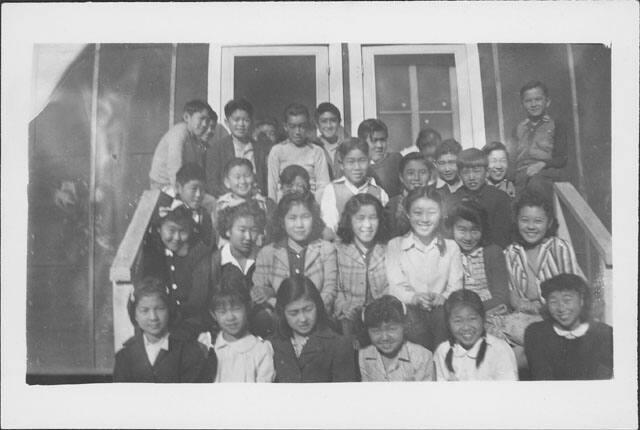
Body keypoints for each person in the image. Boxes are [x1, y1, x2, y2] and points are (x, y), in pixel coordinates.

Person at [497, 190, 580, 368]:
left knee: (537, 348)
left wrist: (542, 308)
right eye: (525, 220)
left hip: (558, 316)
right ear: (517, 221)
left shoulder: (559, 248)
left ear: (549, 223)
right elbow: (512, 294)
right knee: (514, 358)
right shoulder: (511, 253)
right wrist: (522, 305)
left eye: (538, 221)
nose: (531, 226)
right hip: (525, 320)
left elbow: (572, 290)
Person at [386, 186, 463, 351]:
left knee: (441, 317)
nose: (425, 219)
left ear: (441, 213)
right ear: (408, 214)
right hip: (410, 313)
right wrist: (414, 298)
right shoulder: (395, 245)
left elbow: (456, 286)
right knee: (412, 319)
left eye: (432, 212)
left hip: (441, 313)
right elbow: (395, 287)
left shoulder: (451, 247)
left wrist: (442, 297)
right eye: (418, 213)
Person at [252, 192, 337, 316]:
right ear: (282, 221)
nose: (299, 225)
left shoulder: (325, 250)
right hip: (279, 319)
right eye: (292, 218)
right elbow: (259, 293)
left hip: (318, 317)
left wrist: (309, 313)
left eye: (305, 217)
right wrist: (288, 312)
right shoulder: (268, 253)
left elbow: (330, 291)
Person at [138, 201, 213, 340]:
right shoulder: (154, 254)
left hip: (193, 322)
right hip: (163, 321)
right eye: (171, 230)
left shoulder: (198, 253)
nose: (177, 238)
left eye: (183, 231)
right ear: (160, 229)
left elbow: (197, 300)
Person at [113, 277, 210, 382]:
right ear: (135, 314)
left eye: (160, 309)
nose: (153, 317)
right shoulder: (125, 356)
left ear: (169, 310)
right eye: (144, 310)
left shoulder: (189, 351)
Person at [525, 274, 612, 380]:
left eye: (567, 300)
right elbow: (542, 379)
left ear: (581, 300)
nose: (561, 308)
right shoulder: (536, 334)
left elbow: (602, 382)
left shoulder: (604, 334)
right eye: (553, 302)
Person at [270, 276, 357, 382]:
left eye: (308, 309)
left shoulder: (338, 345)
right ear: (282, 313)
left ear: (318, 306)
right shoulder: (271, 345)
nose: (303, 319)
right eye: (294, 313)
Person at [335, 194, 390, 343]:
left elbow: (391, 286)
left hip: (381, 317)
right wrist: (343, 306)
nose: (367, 225)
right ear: (350, 221)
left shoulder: (388, 250)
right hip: (349, 319)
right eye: (360, 218)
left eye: (373, 218)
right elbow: (335, 288)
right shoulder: (338, 251)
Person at [434, 290, 518, 381]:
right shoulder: (442, 351)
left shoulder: (499, 349)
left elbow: (508, 392)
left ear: (483, 318)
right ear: (448, 323)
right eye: (458, 321)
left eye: (472, 319)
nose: (466, 327)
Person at [446, 200, 510, 313]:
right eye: (462, 230)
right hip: (458, 313)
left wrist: (472, 310)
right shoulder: (448, 253)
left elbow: (501, 297)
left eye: (475, 230)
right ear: (452, 228)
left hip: (490, 311)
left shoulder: (492, 252)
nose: (468, 237)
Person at [510, 80, 568, 198]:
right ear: (522, 104)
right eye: (528, 101)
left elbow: (561, 159)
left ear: (547, 102)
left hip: (545, 173)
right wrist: (509, 180)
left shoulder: (556, 125)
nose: (533, 104)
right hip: (522, 175)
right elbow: (512, 160)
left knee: (535, 185)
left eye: (538, 99)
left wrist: (542, 164)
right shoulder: (518, 128)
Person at [320, 138, 389, 233]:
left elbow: (383, 227)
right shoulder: (332, 190)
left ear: (369, 162)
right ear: (341, 164)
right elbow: (330, 227)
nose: (357, 167)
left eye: (362, 161)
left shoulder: (379, 193)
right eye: (351, 162)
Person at [209, 283, 275, 382]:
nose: (230, 317)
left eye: (236, 309)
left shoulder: (261, 350)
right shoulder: (209, 347)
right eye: (222, 312)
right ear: (214, 315)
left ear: (248, 308)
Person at [359, 295, 435, 381]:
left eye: (391, 329)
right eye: (376, 331)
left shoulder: (422, 357)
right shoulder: (364, 355)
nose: (384, 337)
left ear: (404, 326)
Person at [450, 148, 513, 249]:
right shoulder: (453, 199)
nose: (471, 177)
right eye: (466, 172)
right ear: (459, 174)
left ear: (487, 172)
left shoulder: (500, 198)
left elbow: (502, 238)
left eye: (477, 171)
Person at [267, 103, 330, 202]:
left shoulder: (317, 151)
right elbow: (272, 187)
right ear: (285, 127)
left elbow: (323, 186)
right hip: (284, 206)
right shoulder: (277, 151)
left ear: (308, 126)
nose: (297, 131)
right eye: (292, 126)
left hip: (310, 205)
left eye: (302, 126)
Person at [206, 98, 269, 197]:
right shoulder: (216, 150)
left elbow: (265, 183)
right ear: (227, 122)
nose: (241, 124)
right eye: (236, 120)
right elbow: (212, 185)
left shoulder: (261, 149)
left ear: (251, 122)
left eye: (246, 120)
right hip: (228, 204)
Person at [149, 100, 214, 190]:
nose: (204, 124)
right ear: (187, 117)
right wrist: (180, 193)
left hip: (183, 185)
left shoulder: (195, 137)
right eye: (201, 119)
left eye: (207, 120)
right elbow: (175, 167)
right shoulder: (179, 133)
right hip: (164, 186)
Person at [213, 158, 275, 247]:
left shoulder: (264, 204)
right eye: (237, 177)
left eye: (247, 176)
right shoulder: (221, 205)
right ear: (227, 182)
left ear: (254, 177)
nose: (243, 181)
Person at [157, 163, 216, 249]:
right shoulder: (166, 207)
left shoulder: (206, 209)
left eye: (203, 189)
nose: (198, 194)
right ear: (178, 187)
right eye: (193, 189)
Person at [385, 152, 434, 238]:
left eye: (422, 172)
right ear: (401, 177)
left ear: (429, 176)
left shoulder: (436, 201)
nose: (417, 178)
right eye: (411, 173)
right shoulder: (393, 205)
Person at [358, 118, 403, 198]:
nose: (379, 145)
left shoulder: (395, 160)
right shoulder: (357, 167)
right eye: (374, 141)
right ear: (362, 142)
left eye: (383, 140)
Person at [312, 102, 349, 180]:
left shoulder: (348, 146)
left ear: (339, 123)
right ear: (317, 125)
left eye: (333, 120)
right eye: (324, 121)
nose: (328, 126)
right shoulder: (312, 147)